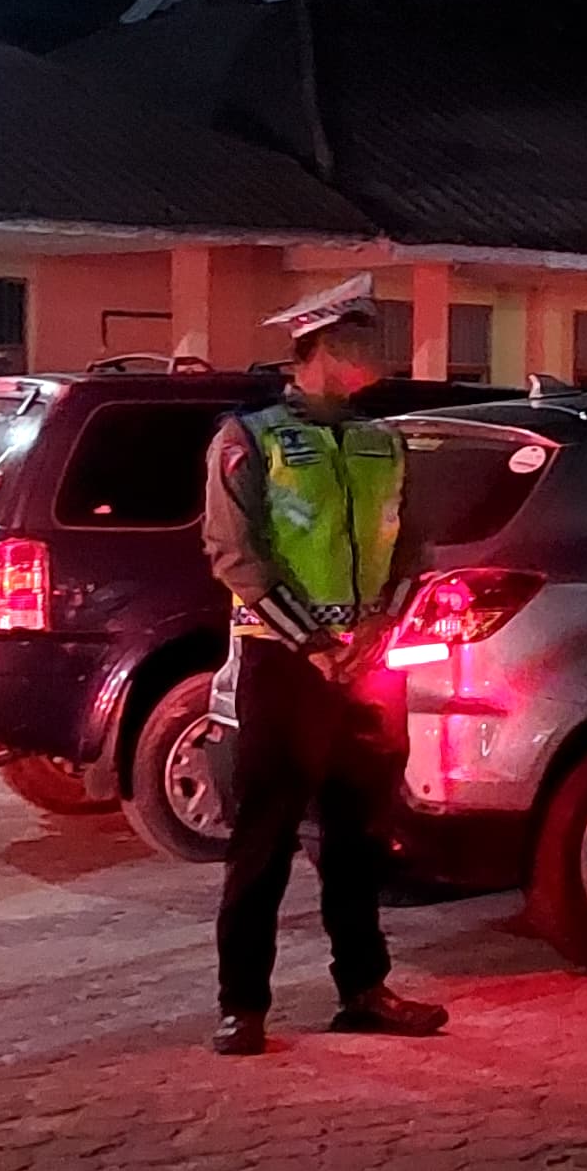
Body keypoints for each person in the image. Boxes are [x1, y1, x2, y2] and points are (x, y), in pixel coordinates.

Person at [200, 273, 452, 1056]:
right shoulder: (251, 437)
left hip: (367, 666)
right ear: (318, 347)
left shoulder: (385, 440)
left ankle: (364, 988)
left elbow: (412, 546)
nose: (373, 356)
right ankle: (243, 1006)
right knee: (264, 840)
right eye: (358, 341)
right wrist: (314, 643)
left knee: (358, 838)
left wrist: (377, 630)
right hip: (282, 662)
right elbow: (233, 554)